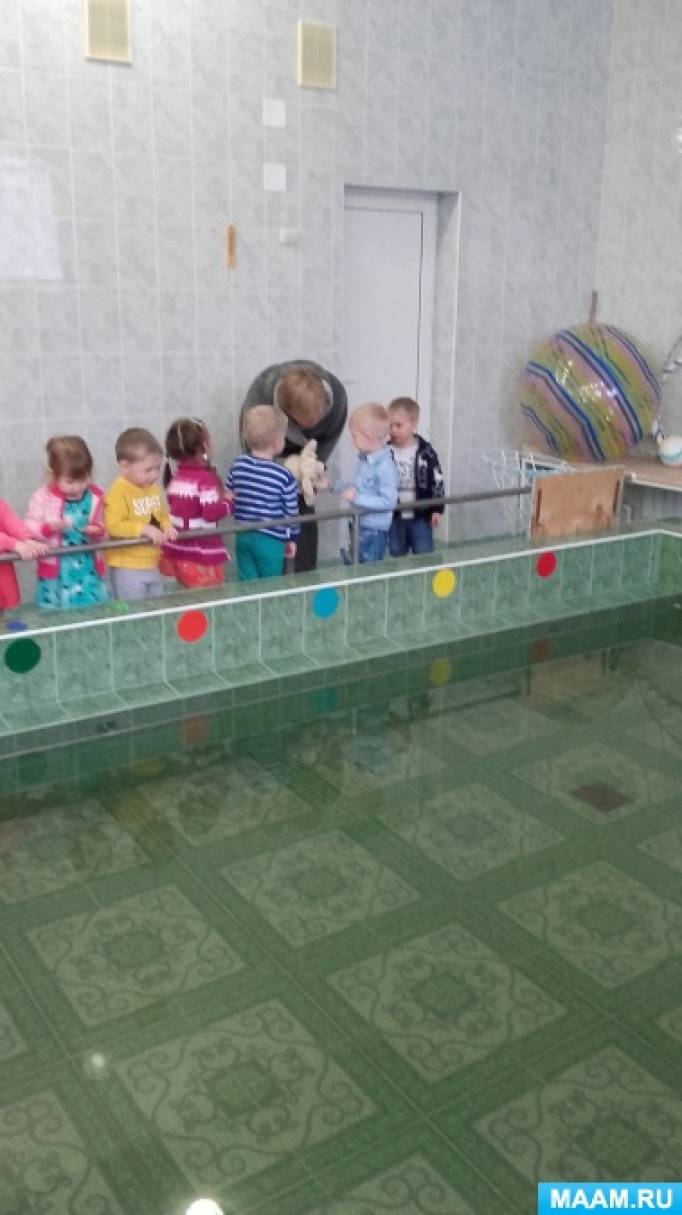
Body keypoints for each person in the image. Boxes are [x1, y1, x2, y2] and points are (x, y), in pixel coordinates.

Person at [241, 361, 347, 572]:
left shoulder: (337, 398)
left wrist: (312, 471)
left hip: (308, 453)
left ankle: (304, 572)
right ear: (288, 412)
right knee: (269, 508)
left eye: (316, 420)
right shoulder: (261, 396)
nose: (313, 424)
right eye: (306, 421)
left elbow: (328, 440)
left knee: (302, 508)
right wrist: (274, 476)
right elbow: (252, 448)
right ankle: (269, 572)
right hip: (268, 445)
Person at [26, 436, 109, 610]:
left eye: (83, 479)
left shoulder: (94, 496)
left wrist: (99, 531)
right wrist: (48, 528)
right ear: (54, 476)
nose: (77, 487)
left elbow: (104, 527)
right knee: (57, 613)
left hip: (87, 567)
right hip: (57, 571)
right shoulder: (43, 498)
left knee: (91, 610)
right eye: (70, 482)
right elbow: (28, 527)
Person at [225, 406, 299, 581]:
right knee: (270, 585)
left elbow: (228, 494)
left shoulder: (238, 464)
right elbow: (291, 513)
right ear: (276, 443)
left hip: (243, 535)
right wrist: (292, 538)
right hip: (271, 540)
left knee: (247, 583)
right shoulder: (283, 475)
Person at [160, 417, 233, 589]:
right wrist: (229, 503)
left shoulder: (175, 478)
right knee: (209, 598)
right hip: (201, 553)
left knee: (188, 599)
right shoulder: (205, 480)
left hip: (178, 552)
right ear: (205, 446)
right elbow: (210, 513)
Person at [105, 428, 176, 601]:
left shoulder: (152, 489)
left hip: (153, 561)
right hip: (128, 566)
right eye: (148, 470)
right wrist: (144, 529)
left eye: (157, 468)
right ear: (125, 466)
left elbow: (161, 515)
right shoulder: (118, 491)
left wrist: (167, 526)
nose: (155, 475)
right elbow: (113, 526)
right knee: (134, 611)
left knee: (155, 608)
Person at [340, 403, 398, 563]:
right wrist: (333, 485)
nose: (352, 441)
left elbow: (389, 502)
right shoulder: (364, 460)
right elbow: (361, 489)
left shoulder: (385, 467)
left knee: (370, 569)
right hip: (359, 522)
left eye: (354, 436)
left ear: (368, 436)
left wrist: (356, 498)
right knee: (356, 564)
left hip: (374, 530)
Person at [388, 396, 445, 556]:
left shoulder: (426, 452)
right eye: (390, 425)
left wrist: (436, 509)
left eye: (398, 425)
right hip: (394, 516)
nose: (393, 430)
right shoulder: (384, 452)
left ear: (413, 425)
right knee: (395, 553)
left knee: (424, 553)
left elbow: (437, 481)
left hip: (421, 515)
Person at [0, 500, 47, 612]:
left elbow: (10, 521)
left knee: (4, 611)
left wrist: (26, 539)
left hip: (3, 569)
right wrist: (12, 544)